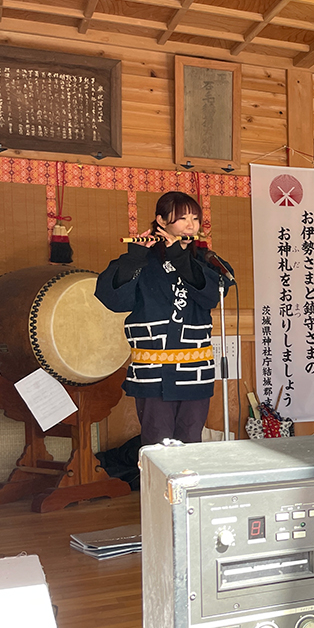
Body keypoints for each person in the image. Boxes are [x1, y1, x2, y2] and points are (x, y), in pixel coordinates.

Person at [95, 191, 233, 446]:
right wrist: (133, 258)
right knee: (157, 443)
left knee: (191, 441)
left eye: (195, 218)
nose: (191, 225)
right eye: (182, 218)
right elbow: (114, 300)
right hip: (152, 373)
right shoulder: (142, 260)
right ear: (161, 221)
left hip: (195, 373)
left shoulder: (205, 261)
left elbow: (213, 295)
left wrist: (182, 259)